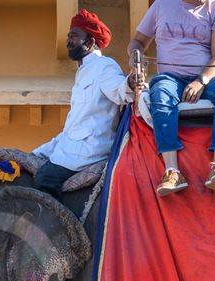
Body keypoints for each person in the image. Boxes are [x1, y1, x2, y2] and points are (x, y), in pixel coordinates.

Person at [129, 0, 215, 195]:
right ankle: (172, 171)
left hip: (206, 77)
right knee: (160, 95)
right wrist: (135, 57)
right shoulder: (161, 5)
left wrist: (201, 81)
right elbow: (138, 41)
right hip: (170, 78)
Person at [28, 10, 137, 197]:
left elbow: (119, 91)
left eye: (74, 36)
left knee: (46, 177)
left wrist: (130, 82)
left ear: (90, 42)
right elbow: (71, 130)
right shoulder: (82, 72)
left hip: (90, 150)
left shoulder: (105, 66)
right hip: (71, 149)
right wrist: (35, 153)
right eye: (69, 36)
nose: (69, 41)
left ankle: (61, 227)